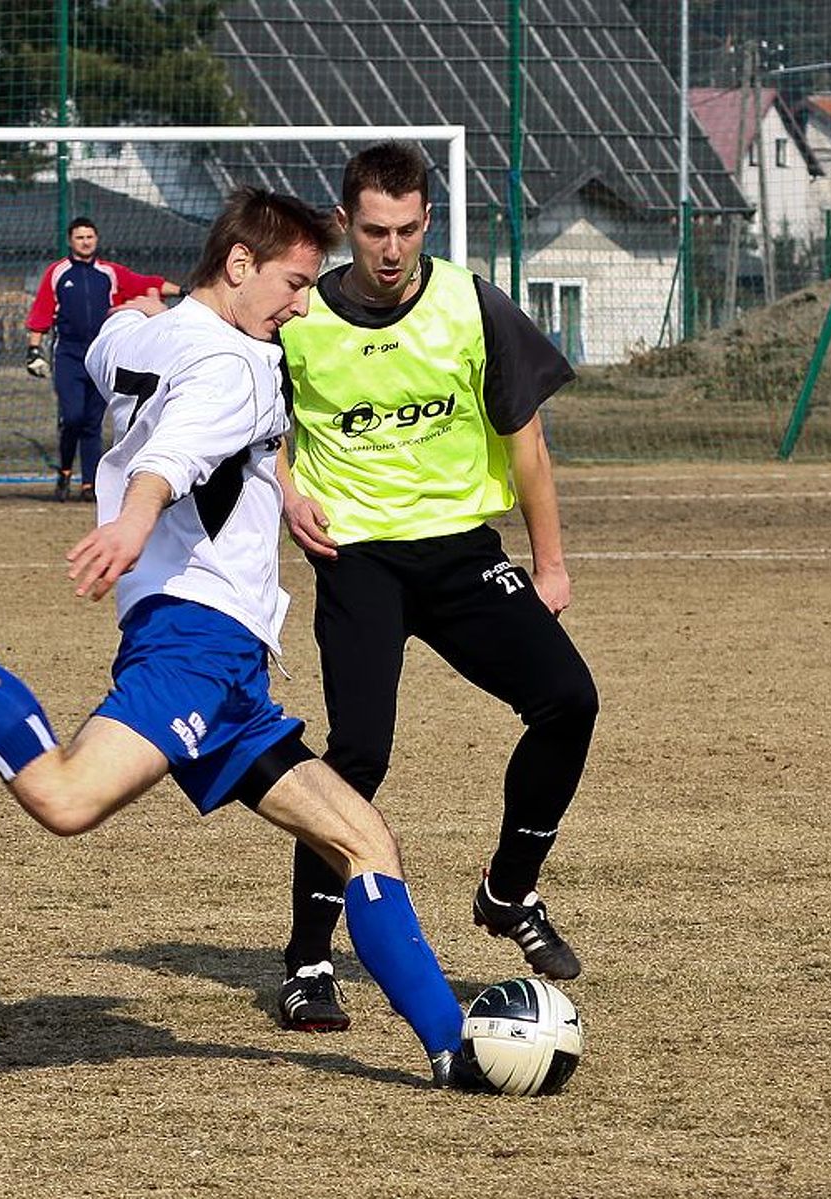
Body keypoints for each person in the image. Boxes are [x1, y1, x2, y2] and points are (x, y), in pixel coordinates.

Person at [0, 187, 481, 1090]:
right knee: (64, 798)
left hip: (228, 671)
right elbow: (172, 455)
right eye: (295, 284)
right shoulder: (243, 366)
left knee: (365, 841)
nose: (303, 305)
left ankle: (455, 1051)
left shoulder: (143, 334)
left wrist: (265, 469)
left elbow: (118, 347)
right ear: (241, 264)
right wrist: (136, 520)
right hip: (198, 638)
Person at [271, 142, 599, 1033]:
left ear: (427, 223)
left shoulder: (471, 303)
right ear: (346, 226)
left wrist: (552, 561)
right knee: (360, 753)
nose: (391, 249)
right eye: (374, 230)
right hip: (359, 560)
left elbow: (527, 440)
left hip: (460, 553)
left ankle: (508, 890)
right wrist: (288, 491)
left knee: (569, 698)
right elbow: (251, 424)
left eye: (408, 230)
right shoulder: (295, 318)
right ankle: (306, 958)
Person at [26, 216, 182, 503]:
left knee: (92, 422)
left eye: (90, 237)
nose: (85, 242)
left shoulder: (110, 273)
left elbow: (146, 283)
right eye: (79, 237)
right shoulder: (58, 272)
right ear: (70, 241)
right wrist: (33, 350)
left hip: (101, 357)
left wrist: (187, 293)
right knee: (72, 417)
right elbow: (42, 311)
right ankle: (64, 471)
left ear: (96, 239)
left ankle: (89, 483)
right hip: (69, 356)